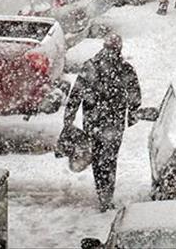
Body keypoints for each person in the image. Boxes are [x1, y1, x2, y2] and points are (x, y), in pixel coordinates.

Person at [60, 34, 141, 211]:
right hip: (112, 122)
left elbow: (77, 92)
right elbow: (134, 94)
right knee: (109, 159)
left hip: (94, 120)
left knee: (99, 159)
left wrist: (69, 116)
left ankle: (103, 193)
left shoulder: (91, 66)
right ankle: (106, 195)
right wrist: (132, 116)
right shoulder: (124, 69)